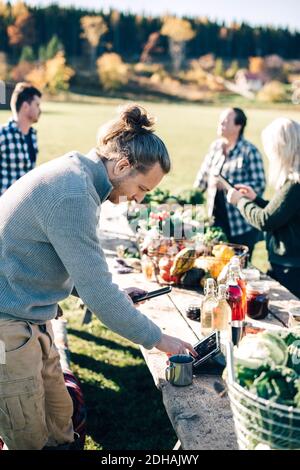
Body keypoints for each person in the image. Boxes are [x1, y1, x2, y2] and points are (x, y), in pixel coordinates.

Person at [0, 103, 195, 450]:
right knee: (27, 439)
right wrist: (160, 341)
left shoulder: (78, 174)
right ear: (122, 165)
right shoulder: (74, 194)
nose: (137, 200)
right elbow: (99, 295)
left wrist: (115, 294)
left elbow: (58, 261)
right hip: (7, 326)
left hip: (31, 318)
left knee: (61, 429)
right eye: (142, 189)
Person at [227, 118, 300, 298]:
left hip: (291, 268)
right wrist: (256, 199)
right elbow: (283, 214)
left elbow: (265, 220)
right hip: (288, 264)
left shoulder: (294, 184)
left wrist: (240, 201)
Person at [194, 107, 266, 258]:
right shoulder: (215, 147)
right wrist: (191, 196)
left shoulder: (249, 151)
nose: (220, 123)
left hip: (240, 225)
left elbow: (259, 184)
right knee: (213, 264)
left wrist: (228, 185)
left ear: (238, 126)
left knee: (239, 269)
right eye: (220, 120)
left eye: (225, 121)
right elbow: (203, 176)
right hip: (214, 220)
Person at [0, 82, 42, 195]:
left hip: (25, 205)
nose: (40, 110)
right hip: (4, 207)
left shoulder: (32, 135)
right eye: (37, 105)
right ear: (25, 106)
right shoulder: (2, 134)